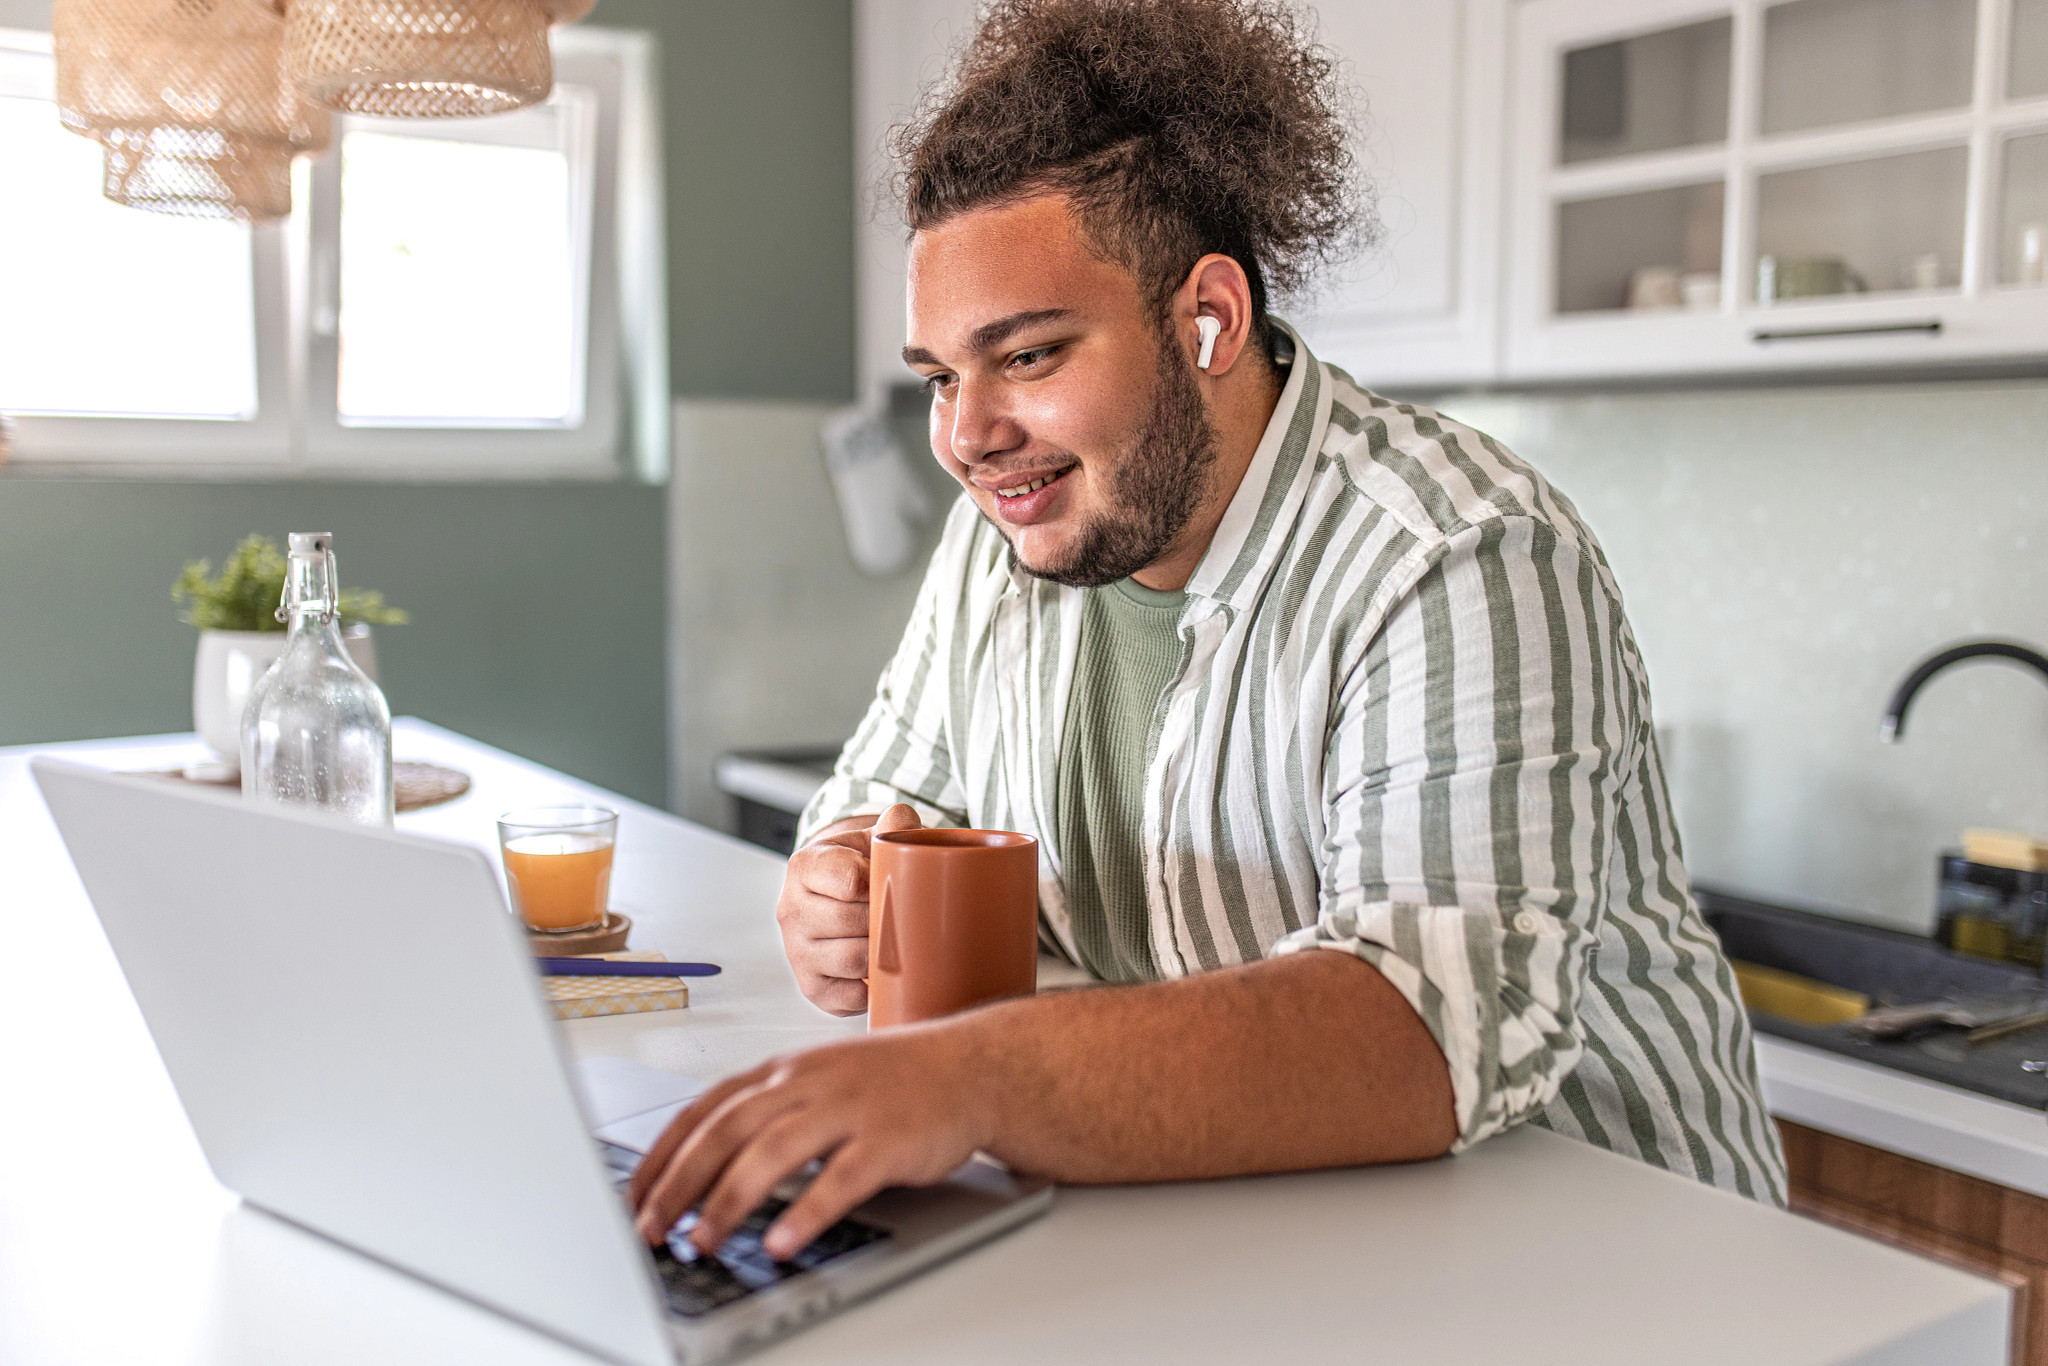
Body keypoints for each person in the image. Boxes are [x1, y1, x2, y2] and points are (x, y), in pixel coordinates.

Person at [631, 0, 1786, 1260]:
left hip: (1617, 1262)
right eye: (938, 377)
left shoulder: (1454, 553)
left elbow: (1429, 1024)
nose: (964, 437)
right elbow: (883, 791)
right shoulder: (1006, 535)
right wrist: (840, 880)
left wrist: (966, 1080)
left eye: (1024, 355)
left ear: (1208, 319)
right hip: (1283, 1235)